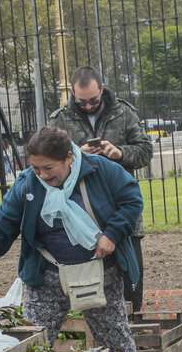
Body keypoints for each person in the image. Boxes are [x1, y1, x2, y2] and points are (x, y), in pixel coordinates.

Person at [0, 127, 142, 352]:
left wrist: (112, 234)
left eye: (48, 168)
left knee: (115, 342)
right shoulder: (28, 184)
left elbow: (132, 200)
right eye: (35, 168)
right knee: (32, 346)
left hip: (98, 273)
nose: (41, 175)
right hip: (46, 276)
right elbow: (2, 225)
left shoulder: (101, 170)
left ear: (68, 158)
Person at [50, 66, 152, 312]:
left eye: (93, 100)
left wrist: (119, 153)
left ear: (102, 89)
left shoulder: (124, 113)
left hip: (120, 204)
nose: (87, 106)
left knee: (130, 271)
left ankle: (133, 318)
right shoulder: (60, 119)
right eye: (81, 101)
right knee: (84, 272)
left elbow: (145, 151)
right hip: (79, 211)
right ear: (73, 95)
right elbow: (48, 160)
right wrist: (76, 155)